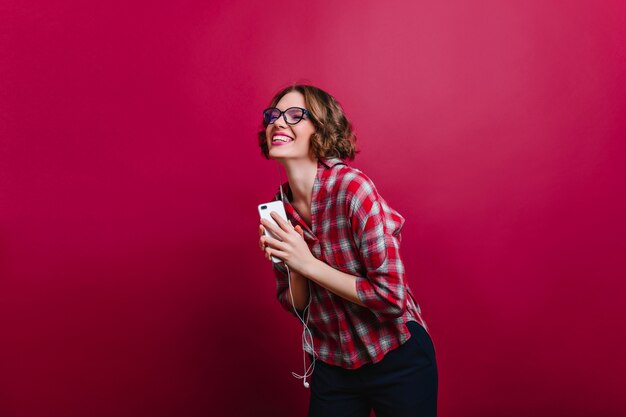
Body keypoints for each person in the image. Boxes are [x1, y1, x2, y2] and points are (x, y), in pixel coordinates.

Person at [257, 84, 437, 417]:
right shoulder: (277, 209)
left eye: (295, 115)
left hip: (396, 354)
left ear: (321, 129)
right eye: (273, 115)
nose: (278, 122)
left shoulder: (353, 189)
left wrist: (307, 263)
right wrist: (294, 266)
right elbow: (296, 305)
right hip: (333, 364)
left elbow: (391, 298)